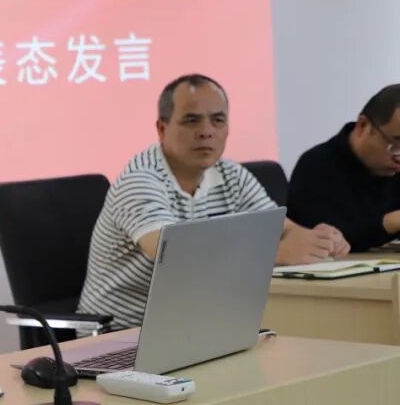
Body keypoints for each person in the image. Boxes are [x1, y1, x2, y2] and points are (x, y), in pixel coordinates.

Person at [78, 73, 350, 329]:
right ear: (162, 129)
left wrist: (321, 240)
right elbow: (173, 256)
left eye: (217, 120)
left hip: (195, 323)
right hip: (123, 334)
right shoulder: (140, 179)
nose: (206, 131)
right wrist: (275, 254)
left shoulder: (230, 174)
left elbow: (282, 229)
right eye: (191, 120)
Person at [287, 84, 400, 251]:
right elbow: (322, 240)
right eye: (395, 144)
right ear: (363, 126)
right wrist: (391, 222)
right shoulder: (316, 166)